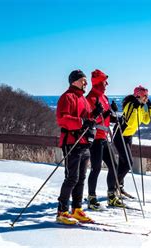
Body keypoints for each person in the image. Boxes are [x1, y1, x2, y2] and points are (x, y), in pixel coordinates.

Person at [55, 69, 103, 224]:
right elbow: (63, 119)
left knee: (81, 178)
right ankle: (62, 211)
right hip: (71, 142)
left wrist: (95, 114)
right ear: (74, 81)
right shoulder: (67, 97)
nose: (86, 83)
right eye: (83, 80)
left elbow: (88, 119)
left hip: (84, 143)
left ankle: (77, 209)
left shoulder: (83, 99)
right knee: (72, 177)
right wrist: (82, 122)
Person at [85, 69, 125, 209]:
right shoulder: (90, 98)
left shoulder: (104, 97)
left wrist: (116, 117)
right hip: (95, 138)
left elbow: (106, 117)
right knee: (96, 168)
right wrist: (107, 112)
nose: (107, 84)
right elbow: (91, 119)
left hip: (104, 138)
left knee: (114, 166)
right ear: (98, 82)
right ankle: (91, 198)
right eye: (104, 81)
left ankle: (111, 196)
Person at [113, 85, 151, 200]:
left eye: (147, 96)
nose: (146, 98)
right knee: (128, 163)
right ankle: (114, 186)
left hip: (128, 136)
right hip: (120, 135)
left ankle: (119, 187)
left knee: (123, 162)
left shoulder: (140, 107)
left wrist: (149, 109)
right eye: (145, 96)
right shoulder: (130, 104)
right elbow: (129, 122)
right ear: (138, 95)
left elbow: (146, 120)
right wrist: (135, 108)